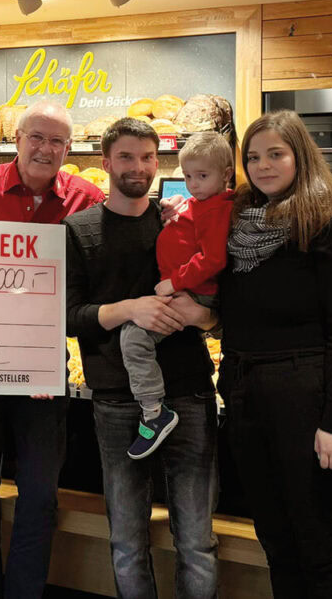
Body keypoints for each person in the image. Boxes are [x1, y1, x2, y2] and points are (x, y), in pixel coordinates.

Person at [0, 100, 103, 597]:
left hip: (43, 367)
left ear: (69, 148)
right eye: (36, 137)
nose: (45, 149)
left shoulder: (86, 198)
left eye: (57, 141)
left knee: (39, 495)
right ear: (17, 139)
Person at [65, 117, 219, 598]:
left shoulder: (179, 220)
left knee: (197, 542)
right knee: (127, 542)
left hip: (188, 392)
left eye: (148, 157)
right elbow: (68, 316)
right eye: (127, 157)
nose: (139, 167)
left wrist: (201, 317)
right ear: (106, 162)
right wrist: (130, 309)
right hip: (115, 399)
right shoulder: (78, 229)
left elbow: (220, 300)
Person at [216, 110, 332, 598]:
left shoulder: (327, 227)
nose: (262, 166)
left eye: (275, 154)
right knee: (275, 540)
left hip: (303, 395)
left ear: (300, 156)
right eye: (253, 157)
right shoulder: (236, 227)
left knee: (316, 544)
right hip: (244, 393)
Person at [121, 131, 235, 459]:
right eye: (187, 177)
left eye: (202, 176)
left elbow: (213, 259)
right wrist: (176, 213)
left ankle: (154, 412)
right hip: (187, 291)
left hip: (193, 295)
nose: (193, 184)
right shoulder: (203, 204)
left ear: (226, 174)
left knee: (133, 338)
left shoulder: (217, 210)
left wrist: (175, 282)